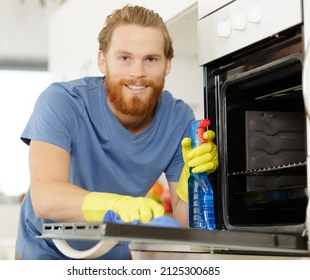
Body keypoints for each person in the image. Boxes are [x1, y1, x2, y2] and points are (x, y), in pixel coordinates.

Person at [15, 4, 218, 260]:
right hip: (44, 250)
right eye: (125, 58)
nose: (138, 73)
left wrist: (193, 184)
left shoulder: (179, 119)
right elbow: (46, 198)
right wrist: (118, 205)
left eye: (151, 59)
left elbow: (182, 219)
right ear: (102, 60)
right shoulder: (61, 102)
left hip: (115, 251)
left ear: (167, 64)